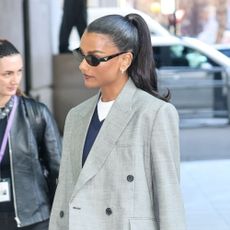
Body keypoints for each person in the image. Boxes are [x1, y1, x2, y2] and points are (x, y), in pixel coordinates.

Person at [49, 13, 186, 230]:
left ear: (125, 60)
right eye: (81, 55)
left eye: (93, 58)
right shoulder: (76, 116)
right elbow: (64, 190)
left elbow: (168, 199)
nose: (83, 67)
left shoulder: (154, 113)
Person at [0, 39, 62, 230]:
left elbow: (58, 172)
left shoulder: (36, 113)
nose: (15, 80)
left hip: (34, 220)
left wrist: (60, 218)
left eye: (19, 71)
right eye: (7, 73)